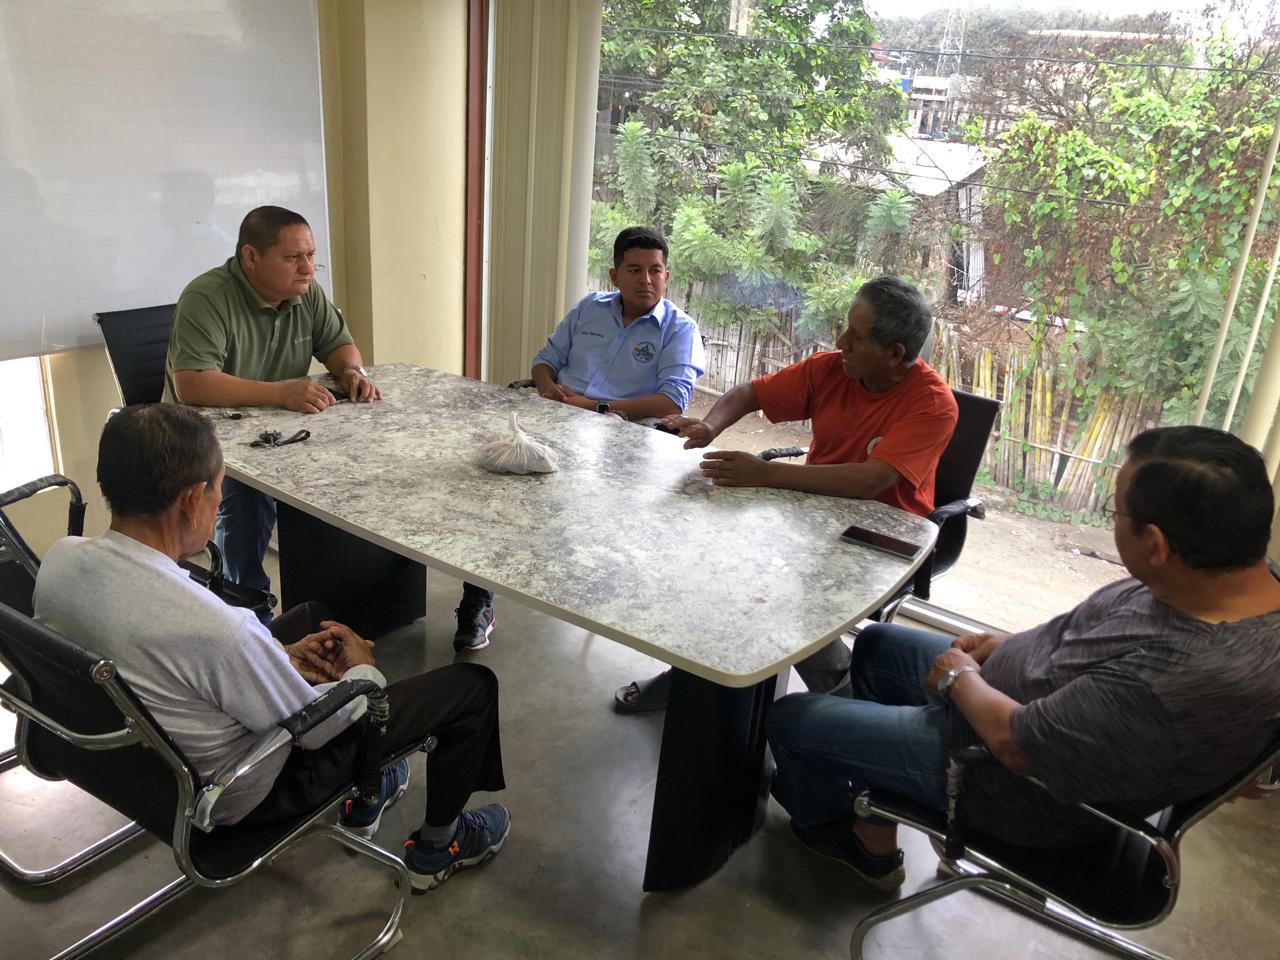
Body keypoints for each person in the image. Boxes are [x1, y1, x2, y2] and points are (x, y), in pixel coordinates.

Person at [765, 425, 1280, 890]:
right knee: (878, 646)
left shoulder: (1171, 679)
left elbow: (1017, 746)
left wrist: (960, 679)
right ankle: (876, 815)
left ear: (1156, 544)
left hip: (1005, 780)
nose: (1112, 520)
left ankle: (846, 839)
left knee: (791, 719)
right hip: (1014, 705)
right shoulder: (1227, 578)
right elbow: (1090, 638)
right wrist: (1005, 644)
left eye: (1116, 512)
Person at [33, 405, 509, 891]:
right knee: (471, 687)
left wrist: (276, 655)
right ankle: (438, 847)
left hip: (135, 764)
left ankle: (371, 794)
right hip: (240, 792)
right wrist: (363, 673)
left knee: (313, 615)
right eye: (219, 488)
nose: (219, 501)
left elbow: (169, 655)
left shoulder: (60, 561)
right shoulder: (218, 629)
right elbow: (320, 731)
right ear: (192, 499)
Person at [615, 275, 957, 712]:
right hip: (815, 512)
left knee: (784, 598)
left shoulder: (932, 404)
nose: (841, 341)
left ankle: (843, 702)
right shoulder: (832, 369)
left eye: (856, 336)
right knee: (715, 562)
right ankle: (692, 677)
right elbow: (749, 393)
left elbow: (869, 481)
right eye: (845, 328)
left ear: (895, 354)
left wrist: (765, 474)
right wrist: (710, 426)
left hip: (886, 537)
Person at [453, 226, 706, 652]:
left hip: (623, 437)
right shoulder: (590, 308)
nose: (646, 280)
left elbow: (671, 400)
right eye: (635, 270)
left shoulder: (679, 329)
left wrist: (594, 407)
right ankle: (477, 600)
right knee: (490, 493)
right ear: (615, 275)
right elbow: (544, 361)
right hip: (556, 419)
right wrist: (547, 388)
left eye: (655, 270)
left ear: (666, 275)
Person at [165, 205, 380, 606]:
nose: (307, 268)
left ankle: (340, 605)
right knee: (247, 496)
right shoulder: (206, 297)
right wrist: (281, 393)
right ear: (251, 256)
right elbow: (190, 383)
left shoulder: (305, 292)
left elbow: (339, 344)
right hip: (206, 436)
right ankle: (246, 605)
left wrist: (352, 370)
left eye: (311, 255)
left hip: (283, 428)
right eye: (292, 257)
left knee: (354, 468)